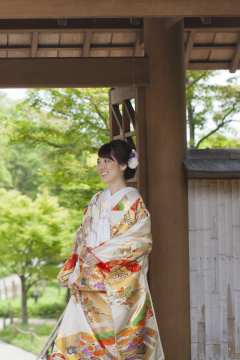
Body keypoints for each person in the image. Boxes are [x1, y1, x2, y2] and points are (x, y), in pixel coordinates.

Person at [50, 140, 164, 360]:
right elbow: (81, 236)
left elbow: (140, 240)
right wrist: (69, 269)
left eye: (107, 161)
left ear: (123, 165)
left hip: (116, 285)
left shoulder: (133, 201)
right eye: (99, 161)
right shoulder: (96, 199)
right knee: (81, 342)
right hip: (88, 282)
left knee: (116, 344)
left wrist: (101, 255)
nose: (101, 166)